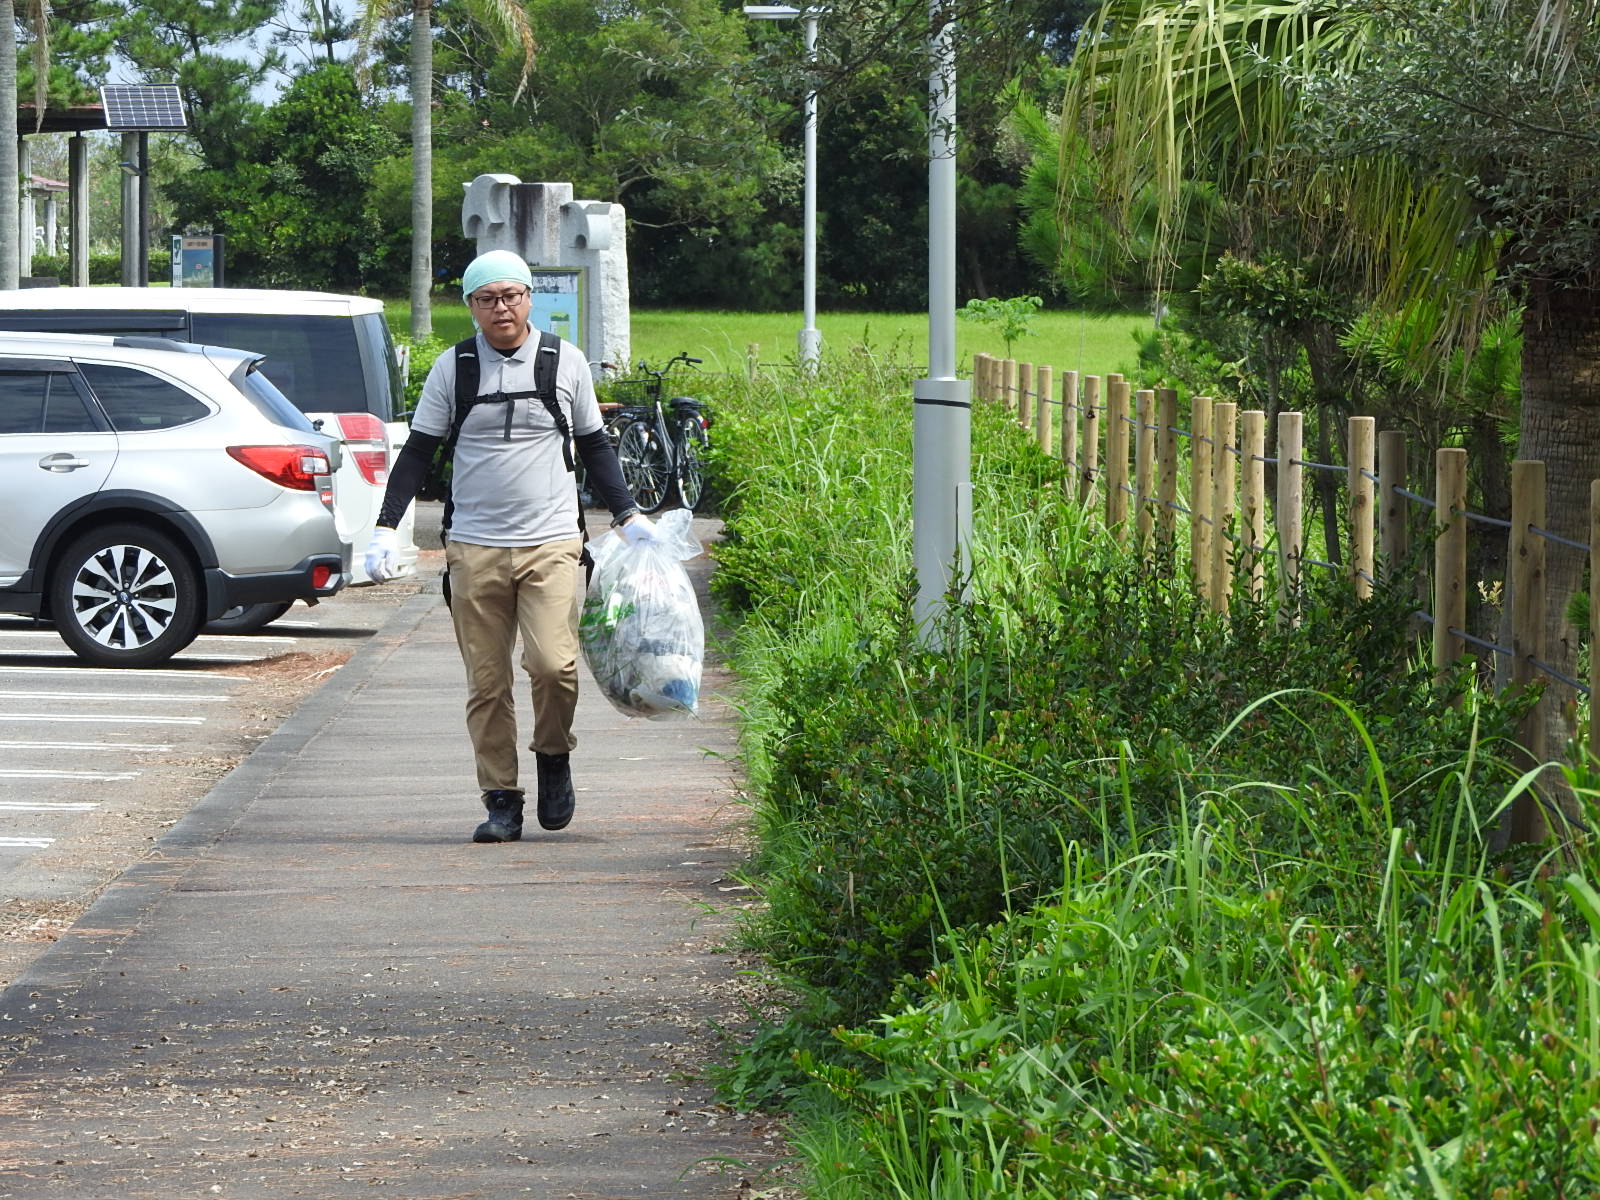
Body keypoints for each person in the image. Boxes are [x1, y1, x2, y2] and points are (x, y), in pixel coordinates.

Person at [364, 250, 652, 843]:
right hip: (475, 548)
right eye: (487, 299)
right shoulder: (454, 368)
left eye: (512, 295)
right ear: (471, 307)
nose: (502, 308)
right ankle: (501, 799)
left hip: (552, 543)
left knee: (553, 665)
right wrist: (384, 525)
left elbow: (595, 444)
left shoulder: (562, 361)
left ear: (528, 298)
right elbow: (418, 451)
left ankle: (553, 755)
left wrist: (627, 514)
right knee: (487, 683)